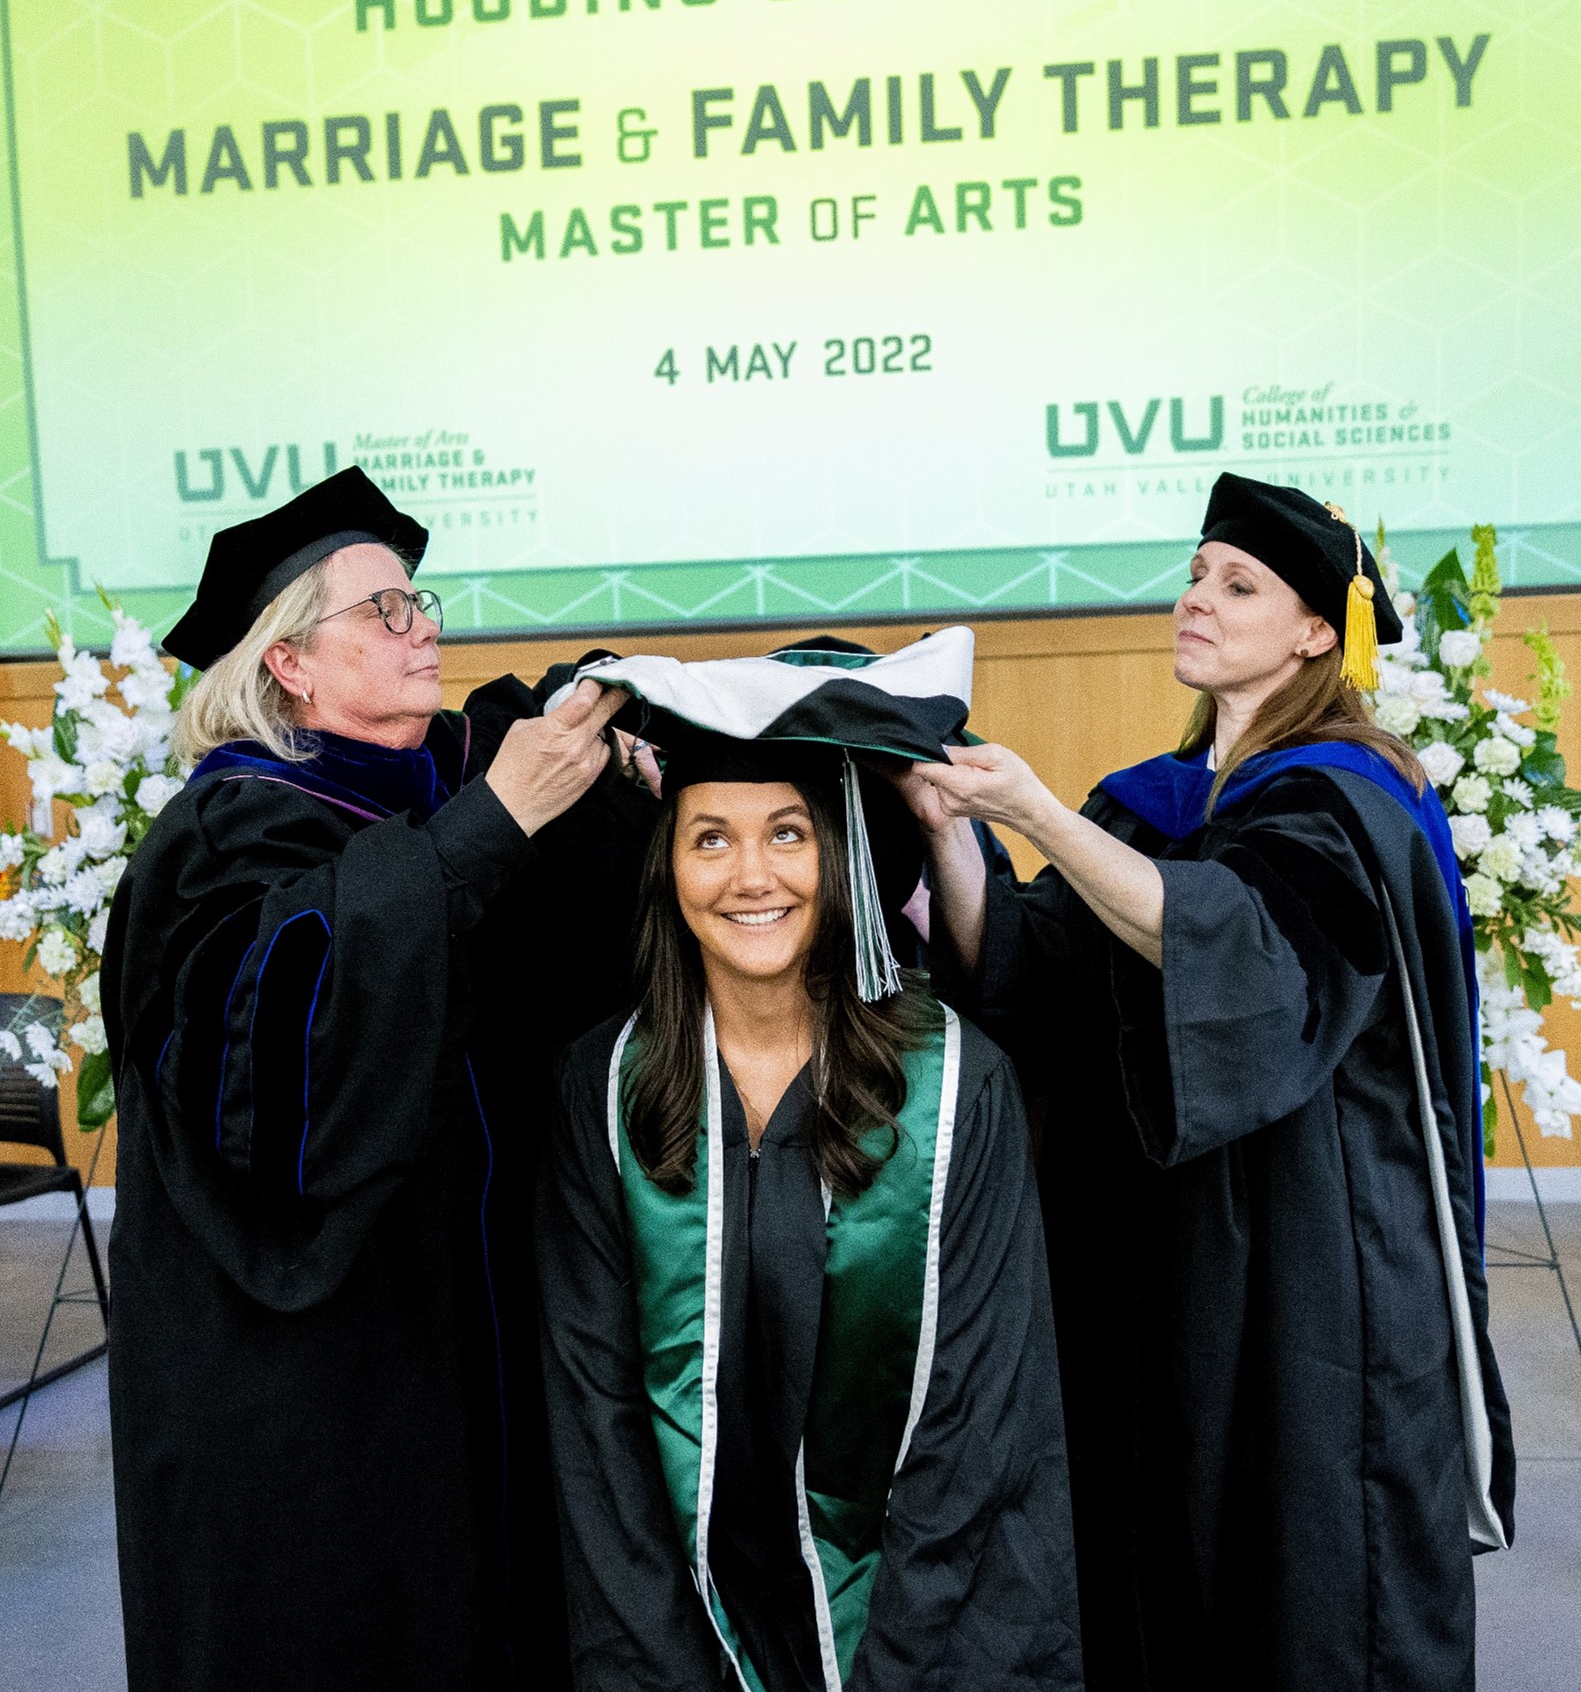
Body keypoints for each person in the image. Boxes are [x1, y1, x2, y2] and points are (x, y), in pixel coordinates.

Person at [903, 473, 1515, 1692]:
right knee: (1160, 1554)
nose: (1197, 597)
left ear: (1314, 632)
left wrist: (1032, 811)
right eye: (1194, 573)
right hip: (1158, 1260)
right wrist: (945, 829)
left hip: (1310, 1268)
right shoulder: (1151, 802)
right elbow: (1040, 964)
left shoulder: (1349, 800)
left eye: (1239, 584)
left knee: (1304, 1575)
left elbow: (1245, 947)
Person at [101, 466, 644, 1692]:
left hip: (467, 1326)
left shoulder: (449, 786)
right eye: (384, 611)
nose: (423, 629)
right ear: (289, 663)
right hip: (306, 1379)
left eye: (422, 603)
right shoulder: (224, 832)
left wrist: (608, 795)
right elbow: (272, 1075)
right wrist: (484, 832)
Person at [534, 633, 1083, 1692]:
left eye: (788, 832)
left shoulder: (956, 1087)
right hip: (681, 1628)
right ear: (669, 865)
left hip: (932, 1625)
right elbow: (594, 1423)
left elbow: (974, 1429)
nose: (750, 876)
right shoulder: (602, 1089)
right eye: (710, 838)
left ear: (841, 855)